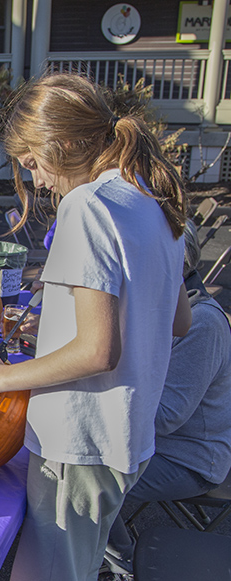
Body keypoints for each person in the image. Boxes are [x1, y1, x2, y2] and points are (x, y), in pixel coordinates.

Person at [0, 73, 192, 581]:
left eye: (33, 164)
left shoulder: (87, 205)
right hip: (125, 439)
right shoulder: (152, 201)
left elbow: (97, 351)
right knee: (79, 566)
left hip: (80, 440)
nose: (37, 182)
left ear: (64, 143)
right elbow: (177, 319)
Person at [101, 219, 231, 578]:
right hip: (155, 443)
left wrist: (95, 395)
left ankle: (124, 565)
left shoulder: (204, 323)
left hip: (191, 458)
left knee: (93, 480)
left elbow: (167, 415)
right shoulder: (161, 312)